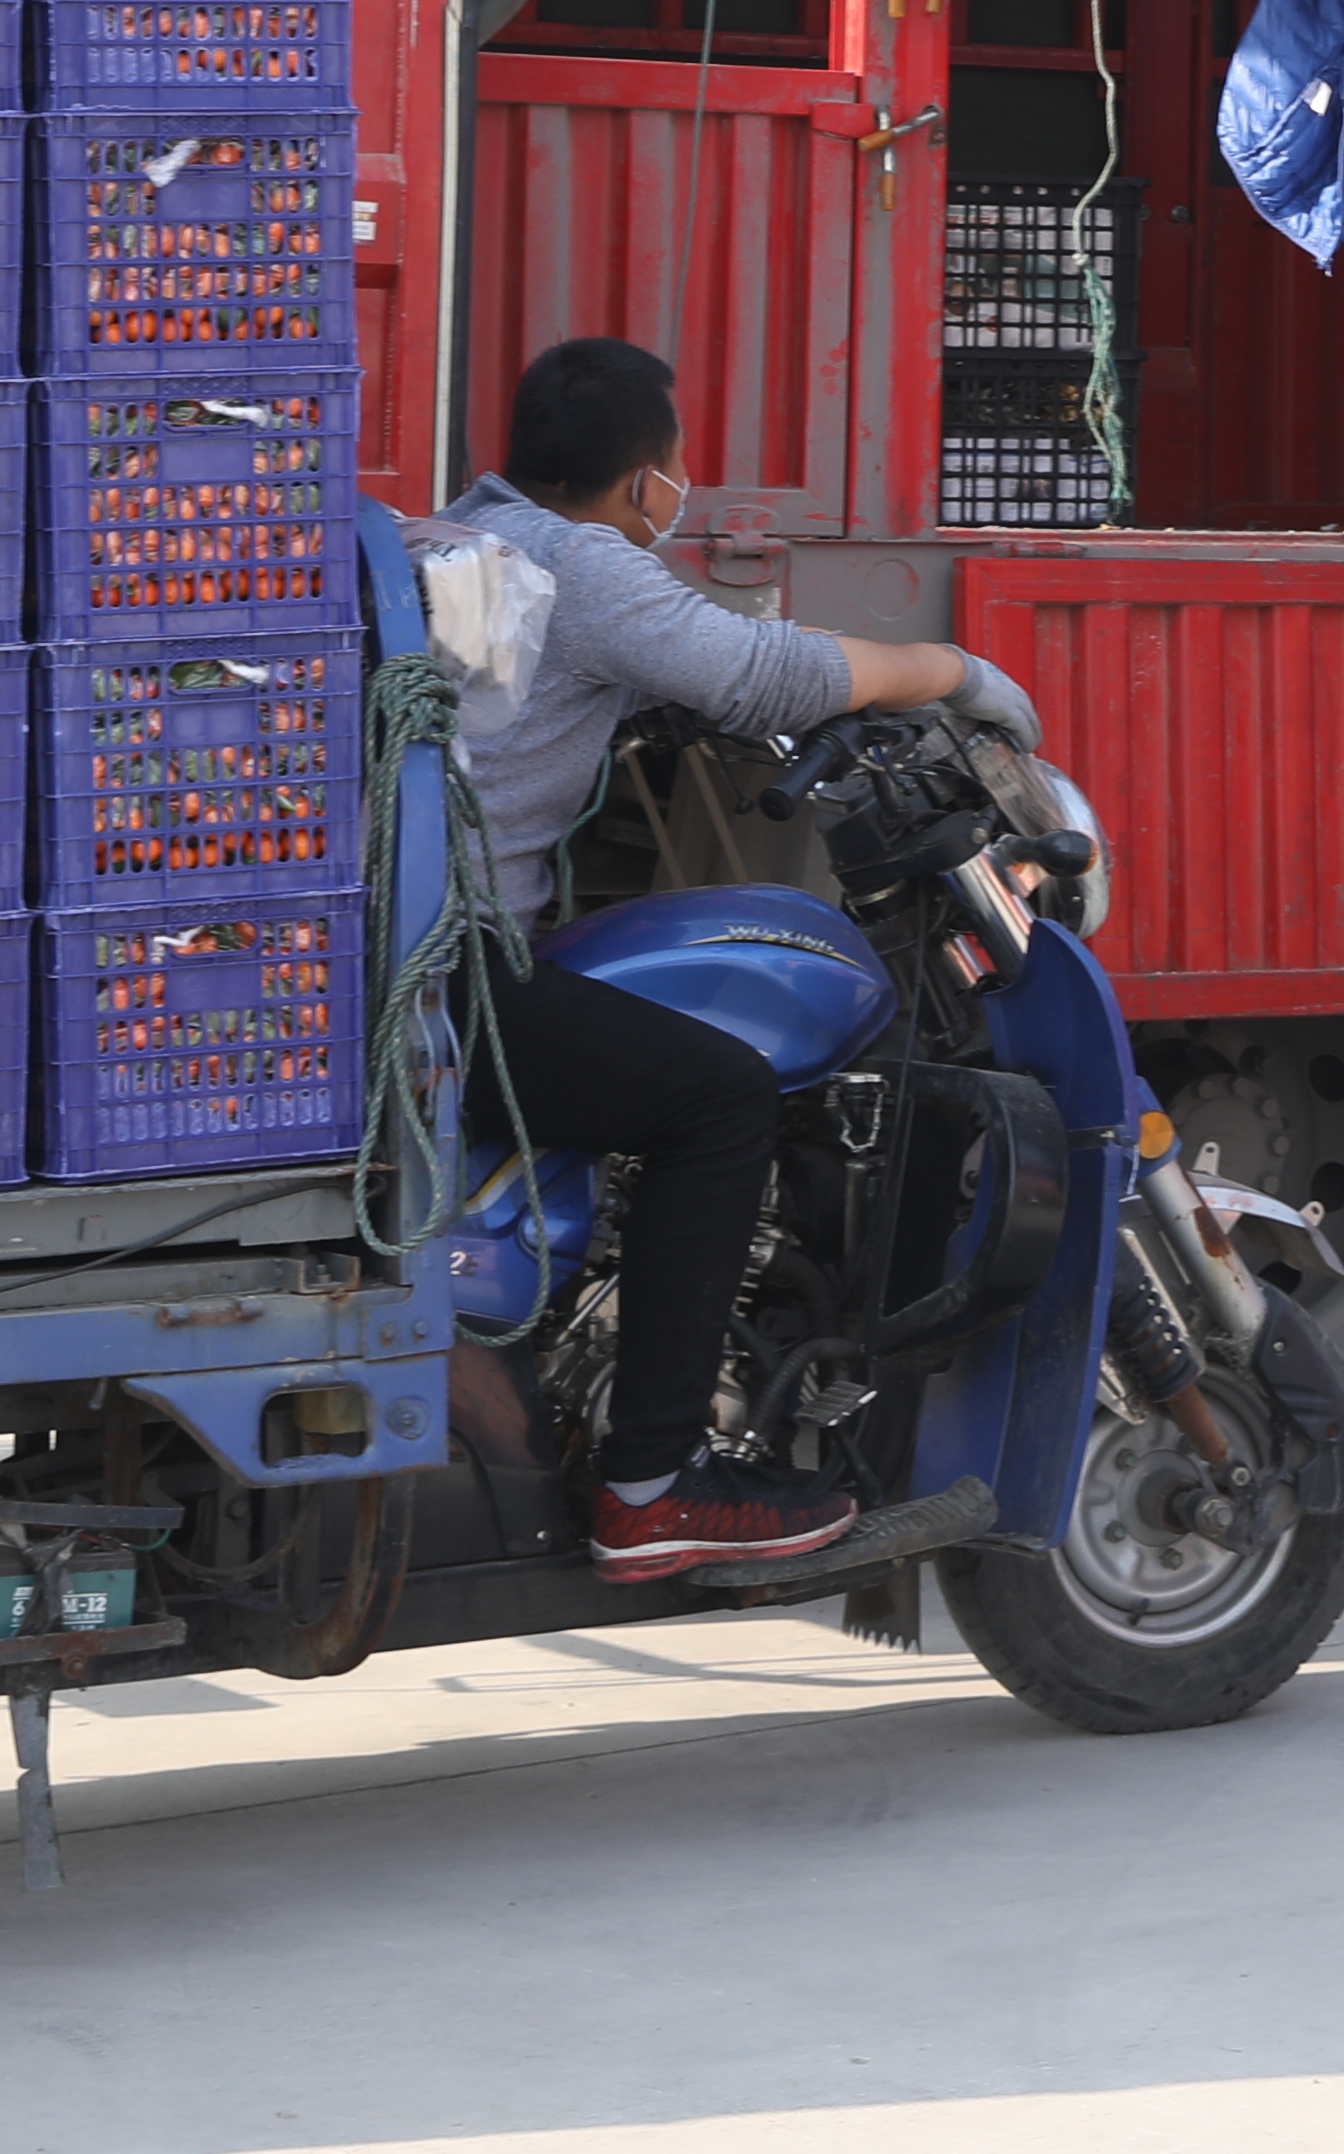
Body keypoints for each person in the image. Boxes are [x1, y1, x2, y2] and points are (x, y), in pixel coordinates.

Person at [445, 334, 1043, 1580]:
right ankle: (654, 1483)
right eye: (675, 465)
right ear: (644, 480)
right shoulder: (585, 563)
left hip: (395, 956)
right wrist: (957, 670)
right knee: (715, 1096)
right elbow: (760, 671)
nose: (680, 487)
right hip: (447, 980)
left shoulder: (459, 535)